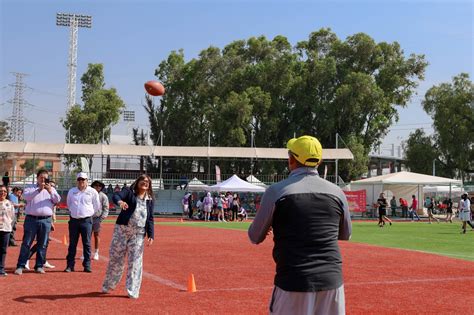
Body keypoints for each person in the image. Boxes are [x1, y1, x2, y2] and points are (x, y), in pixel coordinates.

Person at [248, 135, 352, 315]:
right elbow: (345, 234)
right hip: (332, 282)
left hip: (293, 281)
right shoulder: (338, 193)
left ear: (291, 159)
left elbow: (254, 236)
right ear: (319, 161)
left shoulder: (276, 191)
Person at [102, 174, 155, 299]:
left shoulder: (150, 199)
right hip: (122, 231)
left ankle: (133, 290)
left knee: (135, 262)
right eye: (143, 180)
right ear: (137, 182)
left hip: (138, 234)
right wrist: (120, 202)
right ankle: (109, 285)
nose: (145, 182)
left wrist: (151, 234)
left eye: (147, 181)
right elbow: (116, 196)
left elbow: (151, 218)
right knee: (116, 259)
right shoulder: (129, 192)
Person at [14, 169, 60, 275]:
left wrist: (50, 191)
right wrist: (39, 189)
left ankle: (39, 265)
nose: (43, 180)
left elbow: (57, 200)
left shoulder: (51, 189)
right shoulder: (30, 188)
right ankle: (20, 265)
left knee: (42, 244)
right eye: (41, 178)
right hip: (31, 219)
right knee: (26, 243)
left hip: (46, 220)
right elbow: (27, 197)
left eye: (45, 178)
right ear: (37, 178)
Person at [65, 172, 101, 273]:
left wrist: (88, 214)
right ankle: (70, 265)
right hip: (74, 221)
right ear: (77, 181)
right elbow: (69, 204)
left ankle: (87, 265)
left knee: (87, 244)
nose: (81, 181)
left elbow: (96, 206)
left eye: (83, 179)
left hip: (86, 220)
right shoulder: (72, 191)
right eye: (79, 179)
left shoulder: (92, 191)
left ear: (87, 181)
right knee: (72, 244)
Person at [26, 180, 58, 270]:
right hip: (39, 220)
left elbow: (50, 208)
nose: (52, 187)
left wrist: (51, 221)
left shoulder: (52, 194)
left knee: (45, 242)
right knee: (41, 242)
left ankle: (43, 261)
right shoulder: (42, 193)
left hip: (47, 220)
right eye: (50, 185)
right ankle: (27, 258)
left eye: (53, 186)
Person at [91, 180, 110, 261]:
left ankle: (96, 252)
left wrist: (101, 218)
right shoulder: (89, 194)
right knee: (86, 236)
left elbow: (106, 208)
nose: (97, 187)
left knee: (96, 235)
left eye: (99, 186)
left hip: (97, 218)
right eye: (96, 185)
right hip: (88, 218)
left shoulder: (103, 196)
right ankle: (85, 252)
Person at [0, 185, 15, 276]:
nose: (2, 193)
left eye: (4, 191)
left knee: (3, 250)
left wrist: (9, 226)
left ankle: (1, 269)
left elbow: (12, 217)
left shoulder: (9, 203)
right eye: (1, 191)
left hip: (5, 229)